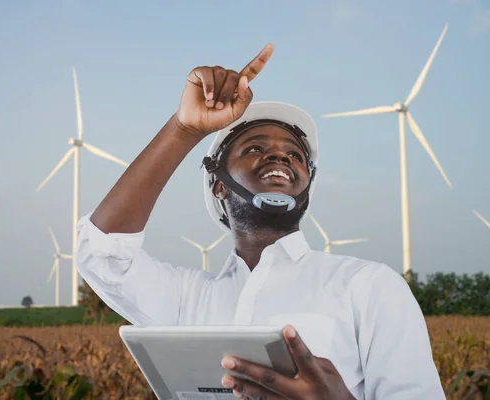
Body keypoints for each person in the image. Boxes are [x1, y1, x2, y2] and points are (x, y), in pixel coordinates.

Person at [74, 44, 445, 399]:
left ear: (306, 180)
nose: (279, 157)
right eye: (255, 148)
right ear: (219, 185)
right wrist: (184, 129)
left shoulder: (371, 287)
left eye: (294, 155)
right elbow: (102, 253)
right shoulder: (187, 299)